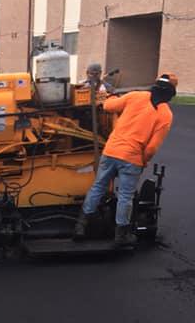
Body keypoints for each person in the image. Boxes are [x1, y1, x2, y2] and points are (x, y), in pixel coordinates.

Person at [74, 73, 177, 246]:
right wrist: (143, 161)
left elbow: (107, 106)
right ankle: (121, 236)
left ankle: (80, 226)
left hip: (111, 151)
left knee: (98, 187)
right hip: (132, 158)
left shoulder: (135, 96)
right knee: (125, 196)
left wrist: (112, 96)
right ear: (171, 93)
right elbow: (151, 148)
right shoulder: (165, 114)